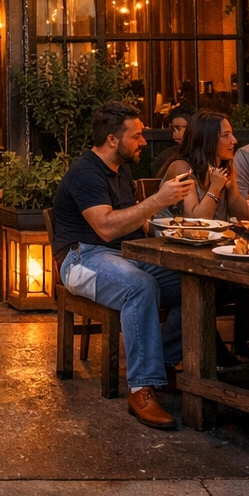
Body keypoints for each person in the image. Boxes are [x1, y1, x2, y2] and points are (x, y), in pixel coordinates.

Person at [49, 102, 194, 430]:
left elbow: (135, 222)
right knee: (139, 285)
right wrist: (158, 200)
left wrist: (170, 228)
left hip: (124, 255)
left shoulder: (122, 169)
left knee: (195, 279)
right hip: (82, 259)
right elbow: (107, 227)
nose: (144, 141)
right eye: (137, 135)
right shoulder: (86, 172)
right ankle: (141, 388)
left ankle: (164, 364)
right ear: (113, 140)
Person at [161, 112, 247, 221]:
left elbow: (236, 209)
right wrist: (215, 187)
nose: (234, 140)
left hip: (215, 235)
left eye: (232, 134)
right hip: (171, 234)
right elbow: (195, 220)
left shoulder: (224, 165)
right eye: (226, 135)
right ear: (207, 140)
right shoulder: (182, 167)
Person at [153, 106, 193, 175]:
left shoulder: (201, 153)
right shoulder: (166, 156)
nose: (174, 133)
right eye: (172, 128)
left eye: (178, 128)